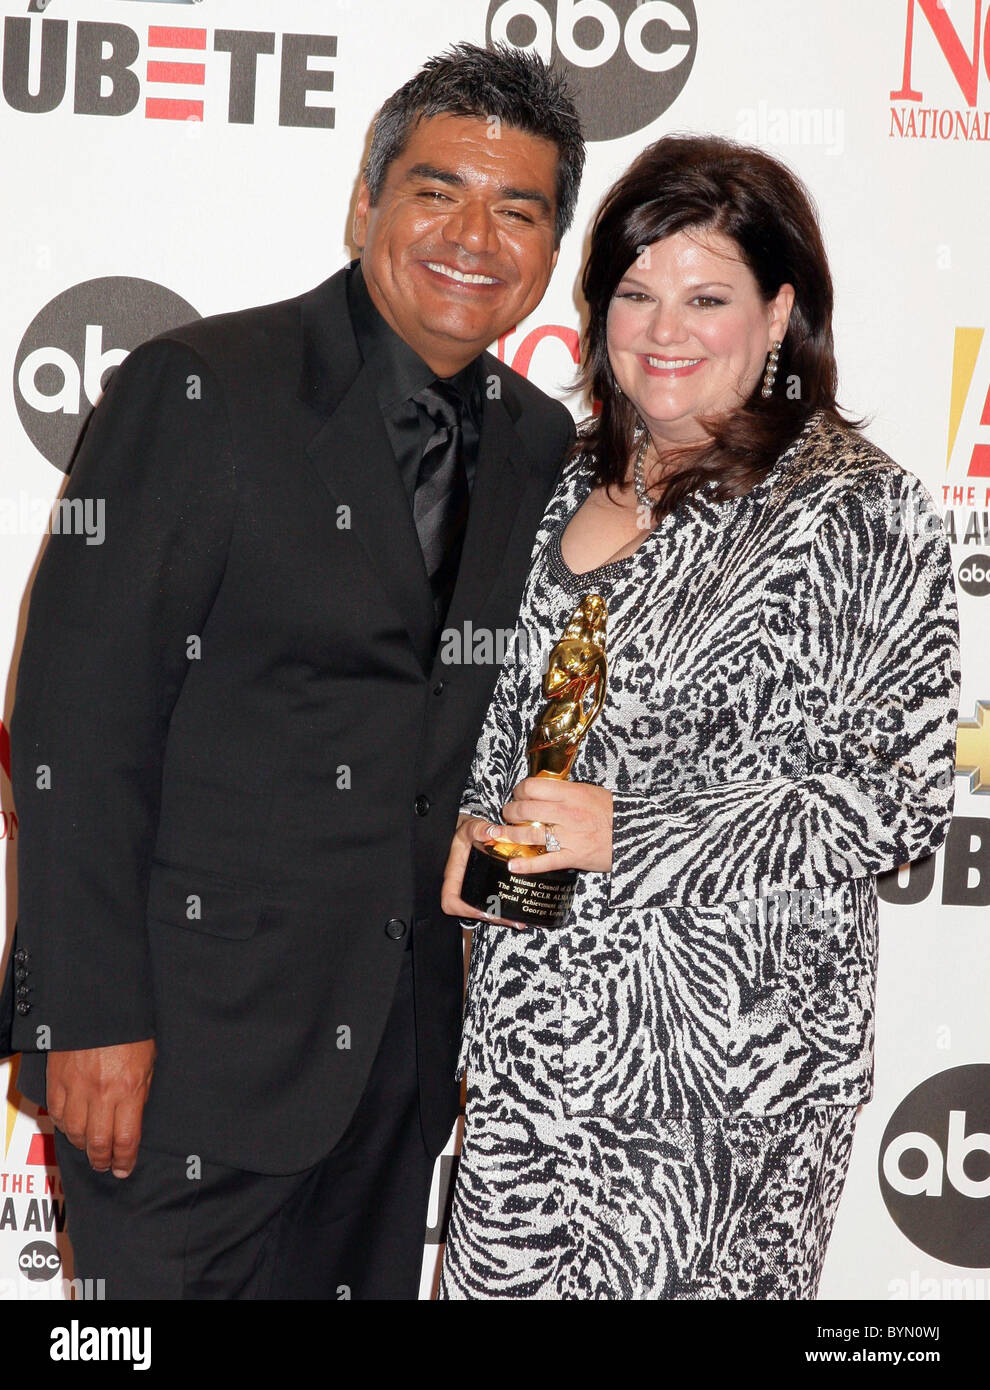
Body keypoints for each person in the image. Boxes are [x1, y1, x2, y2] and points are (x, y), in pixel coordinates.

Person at [0, 43, 584, 1300]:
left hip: (398, 1071)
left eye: (519, 208)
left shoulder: (544, 444)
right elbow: (74, 720)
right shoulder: (203, 387)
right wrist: (85, 1017)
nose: (474, 234)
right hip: (176, 1057)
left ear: (548, 250)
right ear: (366, 203)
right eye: (437, 190)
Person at [438, 134, 959, 1300]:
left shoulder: (856, 509)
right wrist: (470, 847)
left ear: (779, 314)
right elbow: (515, 750)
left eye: (707, 296)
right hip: (528, 1058)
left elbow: (897, 793)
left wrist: (634, 830)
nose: (664, 329)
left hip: (723, 1085)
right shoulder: (559, 481)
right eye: (635, 292)